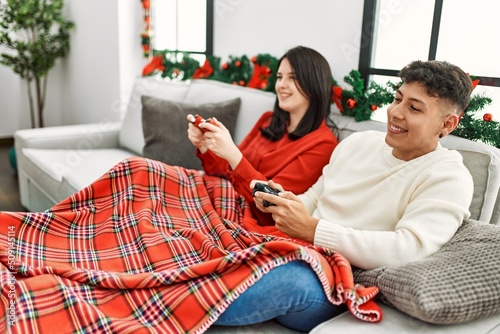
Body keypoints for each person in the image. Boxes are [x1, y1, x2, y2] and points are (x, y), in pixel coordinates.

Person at [237, 59, 474, 329]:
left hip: (340, 279)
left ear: (448, 124)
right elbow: (316, 198)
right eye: (397, 99)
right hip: (298, 247)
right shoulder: (359, 143)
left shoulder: (449, 177)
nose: (395, 112)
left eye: (414, 108)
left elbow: (406, 249)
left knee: (289, 282)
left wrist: (313, 230)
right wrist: (285, 204)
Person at [187, 45, 338, 226]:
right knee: (144, 168)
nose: (281, 85)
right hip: (218, 192)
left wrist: (234, 155)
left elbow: (273, 204)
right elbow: (227, 172)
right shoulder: (268, 121)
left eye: (293, 78)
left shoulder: (323, 144)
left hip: (242, 214)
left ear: (314, 84)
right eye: (280, 77)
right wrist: (207, 147)